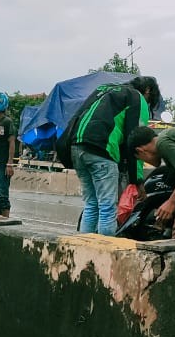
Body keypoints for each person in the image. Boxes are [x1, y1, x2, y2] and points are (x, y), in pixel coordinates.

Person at [64, 76, 161, 235]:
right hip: (102, 150)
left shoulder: (104, 89)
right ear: (148, 90)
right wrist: (137, 180)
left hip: (76, 148)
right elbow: (137, 141)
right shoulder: (137, 97)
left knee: (91, 205)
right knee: (107, 207)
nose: (146, 105)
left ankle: (83, 249)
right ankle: (104, 254)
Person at [0, 92, 15, 218]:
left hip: (2, 163)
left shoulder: (7, 122)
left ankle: (5, 220)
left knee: (1, 194)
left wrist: (9, 163)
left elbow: (12, 142)